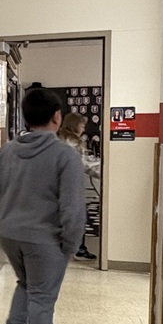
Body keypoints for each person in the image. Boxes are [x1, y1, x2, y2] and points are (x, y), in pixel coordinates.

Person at [0, 88, 85, 324]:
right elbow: (72, 209)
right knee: (43, 295)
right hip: (45, 239)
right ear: (57, 117)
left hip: (9, 234)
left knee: (27, 284)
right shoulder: (65, 155)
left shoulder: (8, 151)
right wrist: (70, 245)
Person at [58, 111, 98, 261]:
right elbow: (80, 164)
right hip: (69, 185)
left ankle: (76, 247)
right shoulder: (72, 142)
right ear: (75, 124)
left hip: (63, 185)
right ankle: (78, 248)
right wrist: (100, 174)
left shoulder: (62, 138)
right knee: (79, 217)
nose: (83, 128)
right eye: (82, 125)